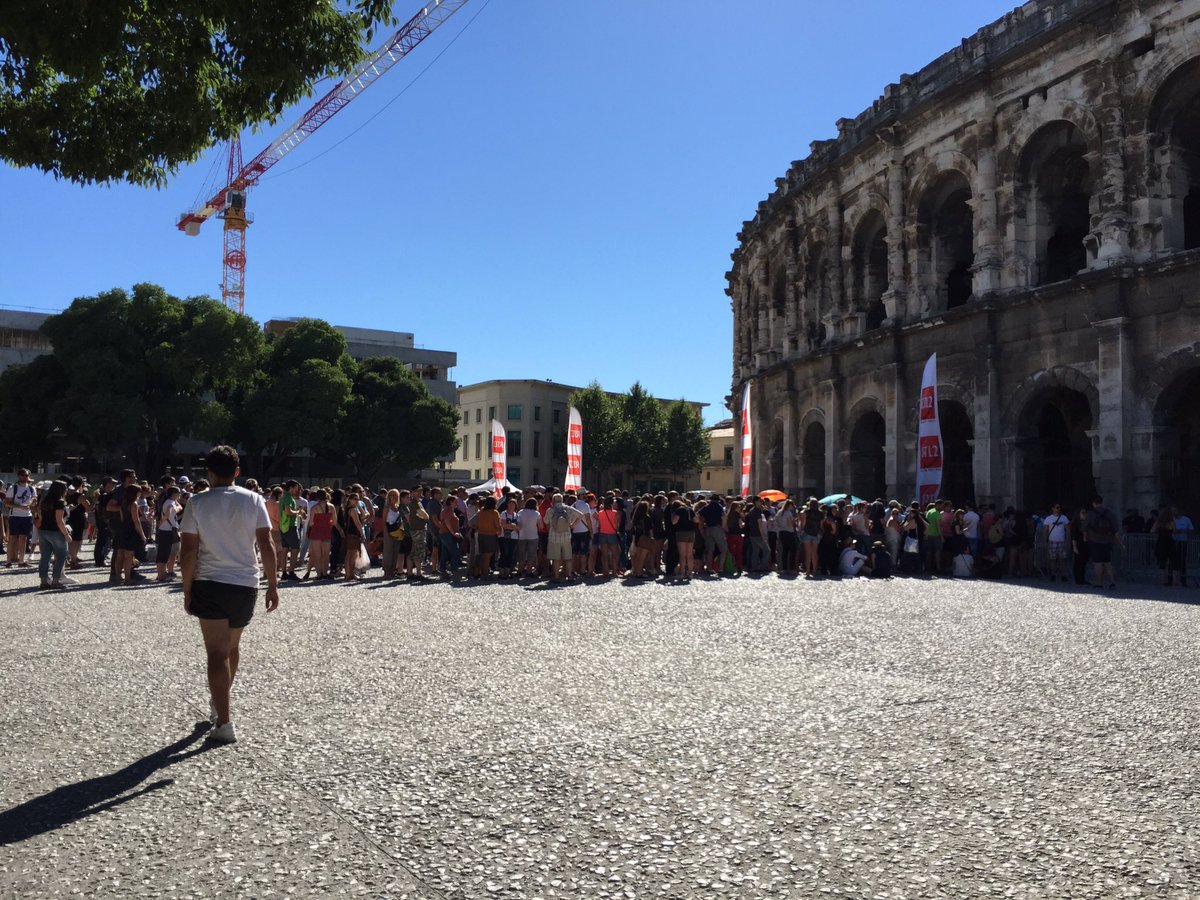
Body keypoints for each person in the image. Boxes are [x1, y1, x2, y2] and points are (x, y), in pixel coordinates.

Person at [180, 445, 278, 745]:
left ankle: (224, 720)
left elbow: (188, 550)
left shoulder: (197, 502)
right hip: (245, 583)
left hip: (210, 581)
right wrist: (273, 583)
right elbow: (266, 543)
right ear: (237, 471)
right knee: (232, 648)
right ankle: (220, 703)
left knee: (216, 653)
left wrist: (187, 589)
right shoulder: (254, 499)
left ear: (209, 473)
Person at [36, 479, 71, 589]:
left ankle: (43, 581)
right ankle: (56, 580)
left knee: (45, 557)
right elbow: (59, 520)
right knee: (60, 556)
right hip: (56, 531)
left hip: (43, 530)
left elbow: (39, 511)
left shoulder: (45, 500)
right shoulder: (59, 502)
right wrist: (66, 534)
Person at [543, 493, 584, 583]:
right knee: (568, 557)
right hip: (566, 536)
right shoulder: (568, 508)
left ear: (553, 501)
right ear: (562, 500)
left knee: (556, 558)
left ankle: (557, 577)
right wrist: (572, 524)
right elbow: (581, 515)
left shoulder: (550, 510)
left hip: (554, 537)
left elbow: (545, 521)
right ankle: (569, 576)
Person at [1084, 495, 1122, 589]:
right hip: (1108, 541)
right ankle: (1112, 582)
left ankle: (1099, 583)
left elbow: (1085, 527)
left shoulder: (1090, 514)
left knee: (1097, 563)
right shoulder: (1110, 513)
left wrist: (1085, 538)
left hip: (1094, 540)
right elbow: (1116, 529)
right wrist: (1120, 543)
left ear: (1094, 503)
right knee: (1107, 562)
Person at [6, 468, 37, 568]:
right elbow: (7, 502)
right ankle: (8, 561)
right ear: (19, 476)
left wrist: (31, 504)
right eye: (23, 475)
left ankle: (21, 561)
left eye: (27, 475)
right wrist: (20, 506)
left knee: (23, 538)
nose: (25, 477)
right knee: (12, 538)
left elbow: (34, 499)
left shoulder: (32, 488)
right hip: (15, 515)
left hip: (27, 516)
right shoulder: (13, 488)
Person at [278, 480, 305, 581]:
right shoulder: (289, 498)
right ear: (292, 487)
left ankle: (284, 572)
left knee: (285, 549)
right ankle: (291, 572)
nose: (298, 490)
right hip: (290, 526)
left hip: (283, 526)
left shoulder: (283, 497)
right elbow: (288, 511)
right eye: (297, 487)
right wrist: (298, 511)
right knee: (295, 549)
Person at [155, 486, 182, 581]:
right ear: (173, 494)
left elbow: (179, 507)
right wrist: (161, 522)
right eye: (178, 493)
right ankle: (160, 575)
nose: (179, 495)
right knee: (163, 553)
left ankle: (161, 574)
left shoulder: (172, 502)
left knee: (166, 552)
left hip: (168, 530)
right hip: (167, 530)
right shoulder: (170, 503)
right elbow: (167, 515)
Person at [1043, 503, 1071, 583]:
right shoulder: (1048, 518)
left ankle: (1063, 575)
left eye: (1059, 507)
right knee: (1053, 560)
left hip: (1061, 541)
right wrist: (1045, 541)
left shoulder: (1064, 518)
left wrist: (1068, 541)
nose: (1058, 509)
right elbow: (1045, 530)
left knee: (1062, 559)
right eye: (1056, 507)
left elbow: (1068, 530)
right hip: (1052, 541)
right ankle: (1053, 575)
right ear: (1053, 508)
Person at [1170, 506, 1193, 587]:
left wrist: (1183, 531)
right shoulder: (1170, 520)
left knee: (1182, 561)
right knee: (1172, 561)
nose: (1173, 512)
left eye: (1175, 510)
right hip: (1172, 542)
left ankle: (1183, 580)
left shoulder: (1186, 519)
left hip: (1182, 542)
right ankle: (1171, 579)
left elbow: (1191, 530)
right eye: (1172, 511)